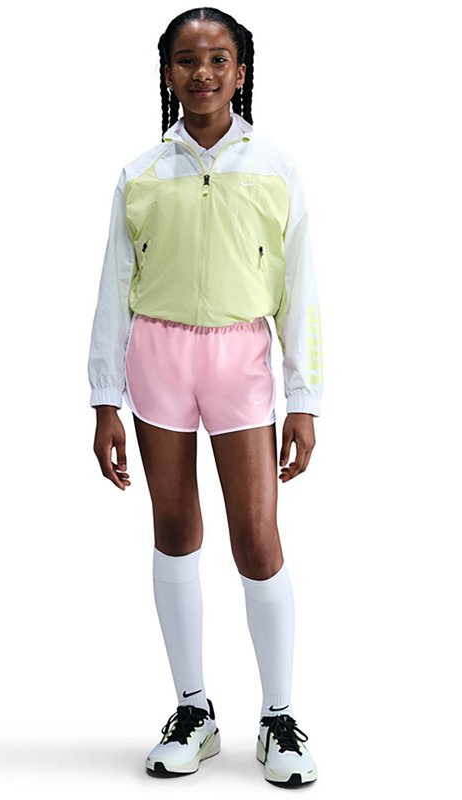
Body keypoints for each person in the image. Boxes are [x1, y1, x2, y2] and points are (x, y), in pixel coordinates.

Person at [87, 7, 323, 788]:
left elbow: (300, 287)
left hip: (240, 360)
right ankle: (194, 710)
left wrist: (305, 398)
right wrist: (104, 398)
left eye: (218, 58)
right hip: (157, 359)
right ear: (168, 74)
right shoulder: (142, 174)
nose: (203, 72)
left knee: (256, 537)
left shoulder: (276, 168)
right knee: (175, 530)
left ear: (240, 72)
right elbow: (113, 287)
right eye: (187, 60)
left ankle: (279, 717)